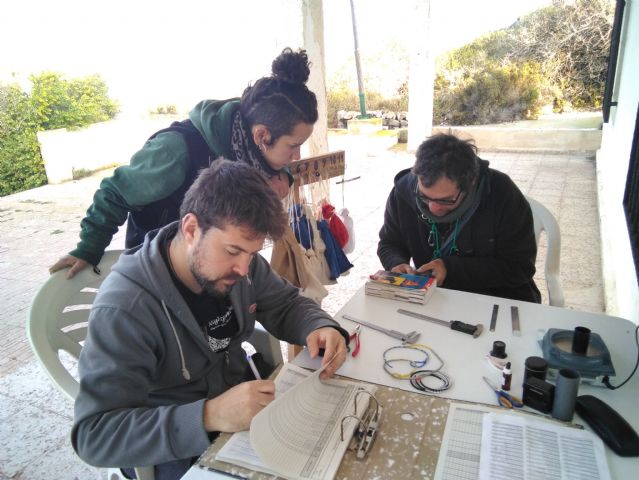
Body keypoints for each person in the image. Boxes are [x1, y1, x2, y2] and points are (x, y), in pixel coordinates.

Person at [71, 160, 348, 479]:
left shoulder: (242, 264)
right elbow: (95, 436)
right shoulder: (125, 308)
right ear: (190, 229)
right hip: (173, 443)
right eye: (233, 251)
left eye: (252, 252)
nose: (244, 269)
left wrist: (320, 326)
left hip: (242, 410)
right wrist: (208, 415)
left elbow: (285, 303)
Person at [50, 47, 318, 279]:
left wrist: (283, 177)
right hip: (159, 273)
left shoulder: (251, 142)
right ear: (262, 135)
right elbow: (115, 193)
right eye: (293, 146)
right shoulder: (176, 151)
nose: (296, 157)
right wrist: (89, 248)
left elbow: (271, 163)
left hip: (213, 271)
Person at [377, 133, 541, 303]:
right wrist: (396, 263)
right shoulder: (403, 192)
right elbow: (389, 243)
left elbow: (520, 267)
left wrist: (450, 269)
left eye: (446, 200)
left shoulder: (501, 193)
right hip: (434, 297)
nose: (433, 208)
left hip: (498, 298)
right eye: (425, 197)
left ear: (470, 183)